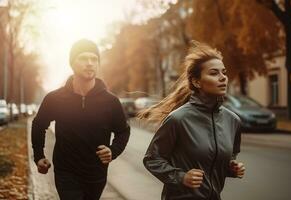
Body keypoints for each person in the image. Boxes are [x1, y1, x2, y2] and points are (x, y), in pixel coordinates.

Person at [139, 41, 245, 200]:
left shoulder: (233, 120)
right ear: (196, 82)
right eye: (214, 73)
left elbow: (223, 159)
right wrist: (181, 177)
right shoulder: (178, 119)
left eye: (224, 72)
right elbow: (152, 159)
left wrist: (231, 168)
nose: (222, 78)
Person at [31, 39, 130, 200]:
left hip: (96, 173)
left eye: (94, 59)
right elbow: (39, 124)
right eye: (83, 58)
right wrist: (39, 155)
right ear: (72, 63)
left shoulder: (110, 101)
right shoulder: (55, 98)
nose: (89, 63)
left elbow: (123, 131)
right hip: (66, 171)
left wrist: (113, 150)